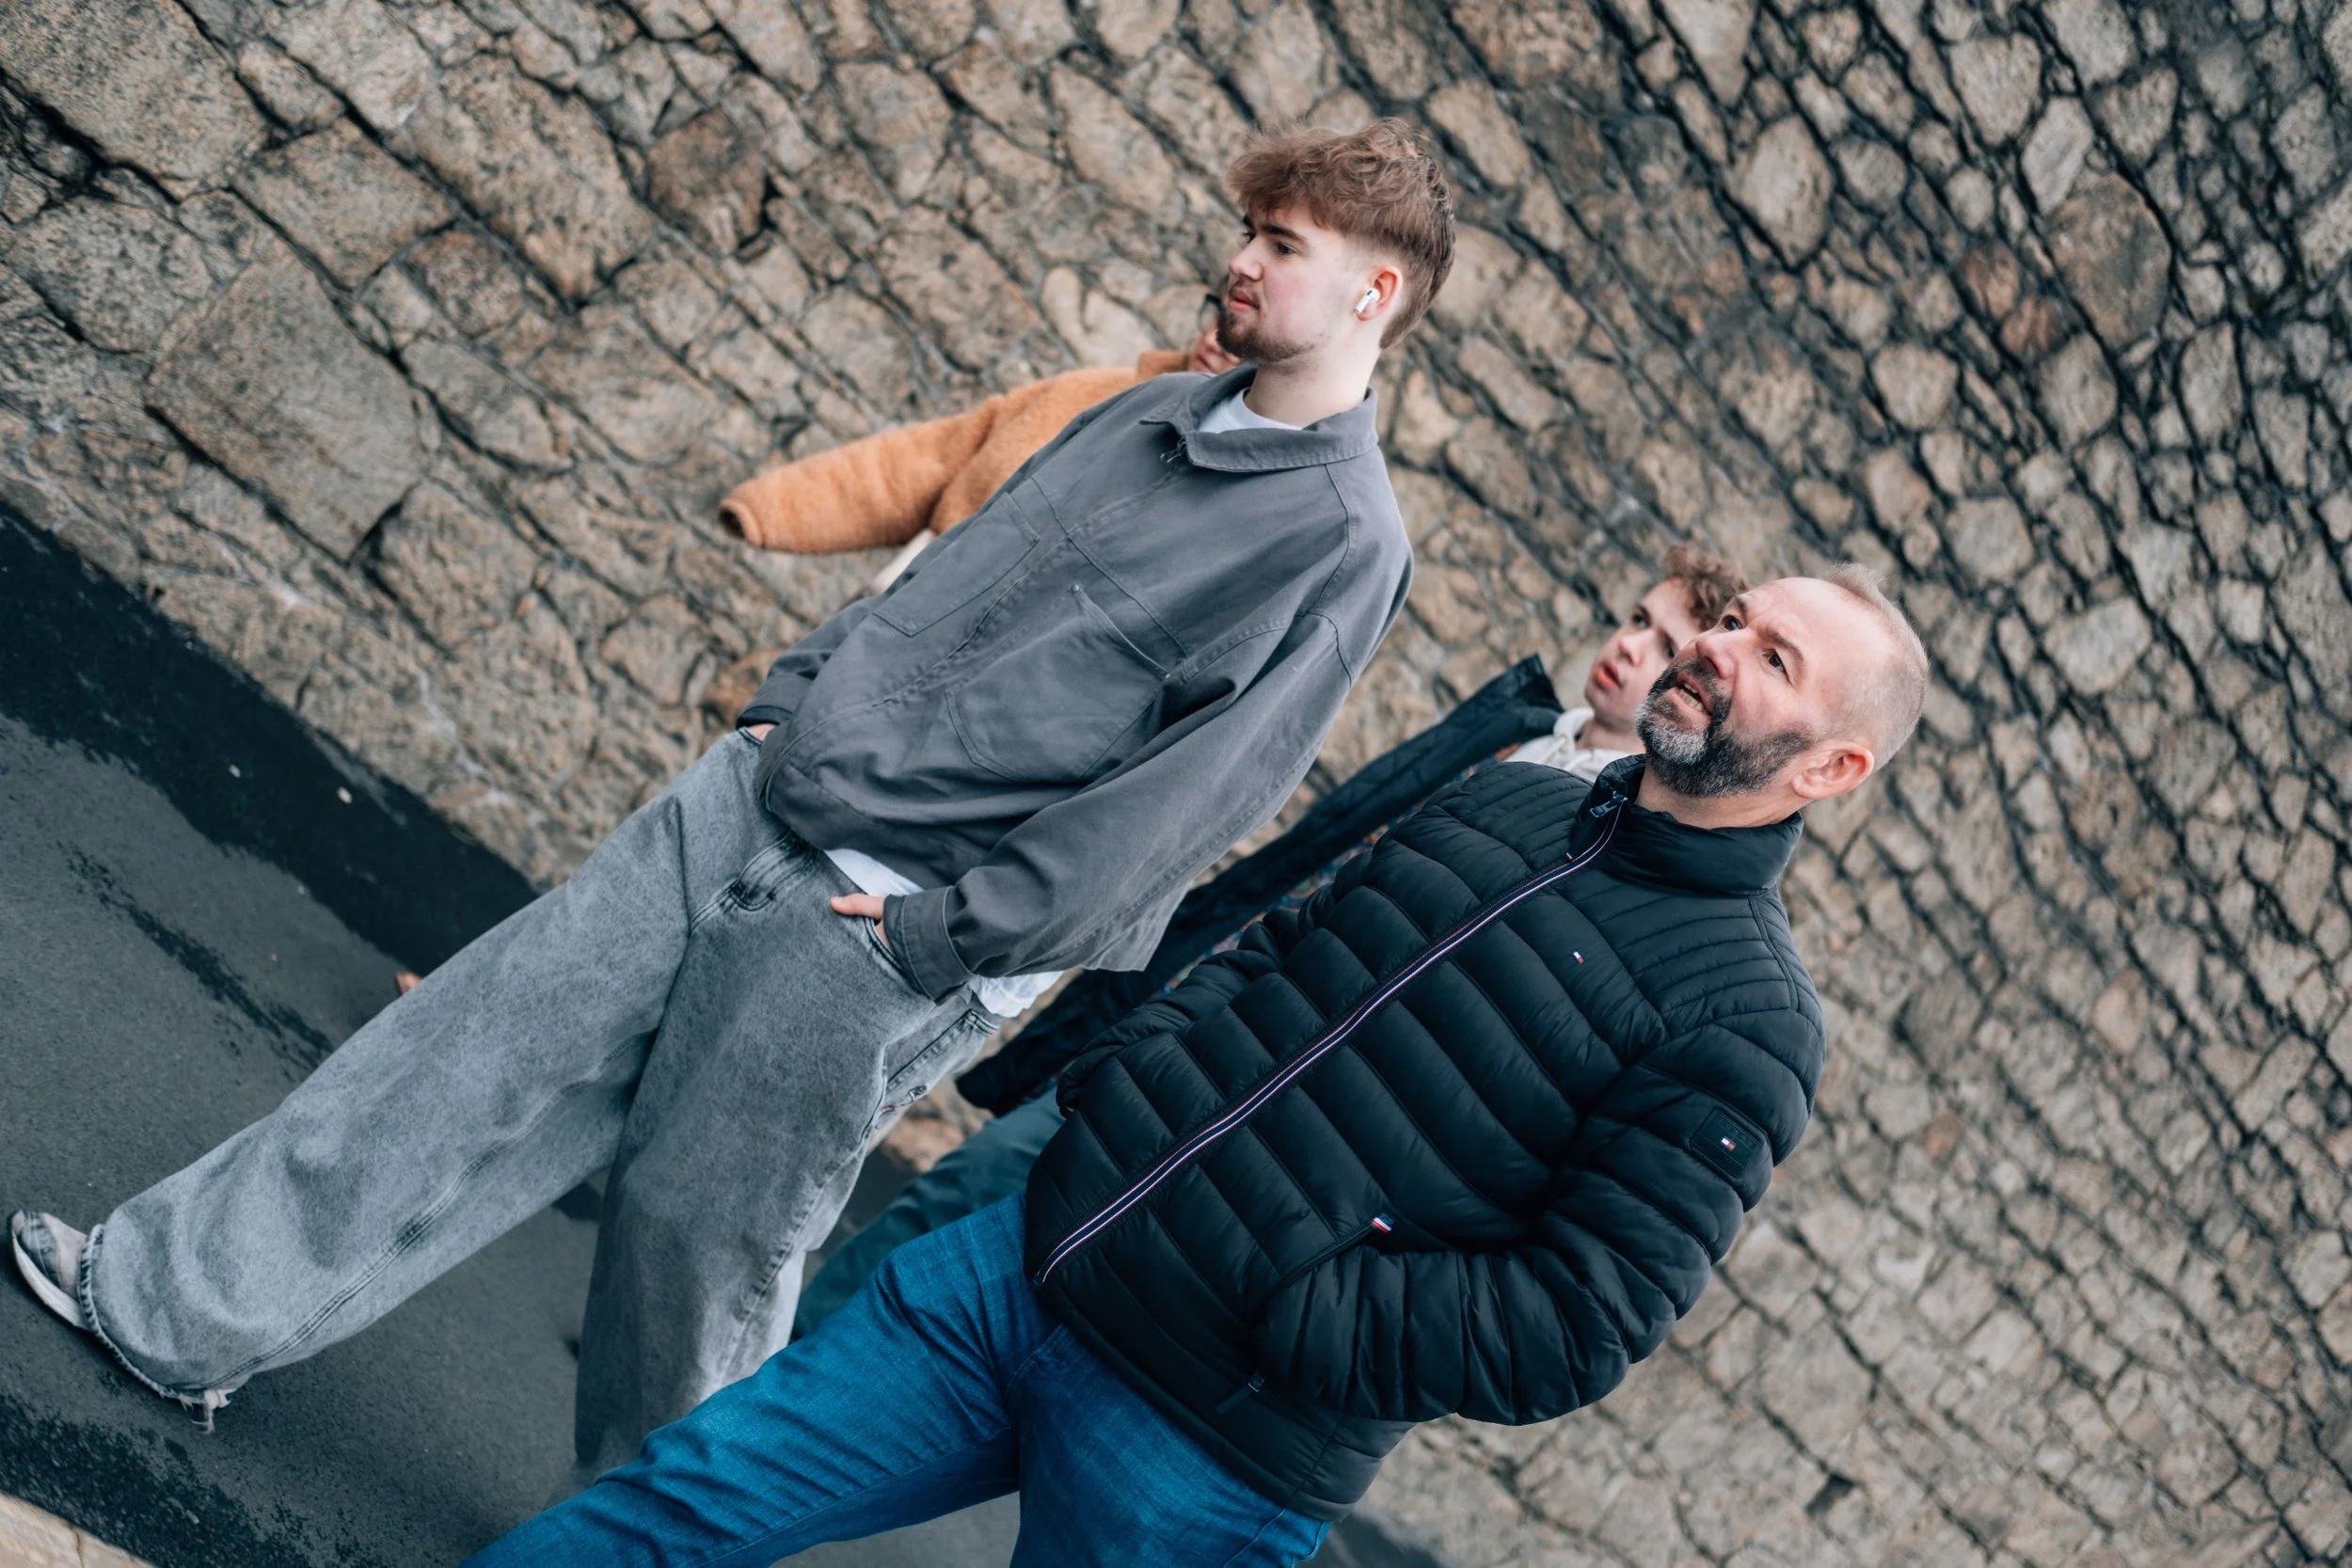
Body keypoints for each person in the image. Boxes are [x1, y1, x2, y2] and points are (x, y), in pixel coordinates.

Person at [8, 119, 1454, 1485]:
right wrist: (782, 702)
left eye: (1283, 241)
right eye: (1249, 229)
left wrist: (943, 937)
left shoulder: (1341, 541)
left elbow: (1188, 802)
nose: (1243, 260)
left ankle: (648, 1537)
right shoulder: (1146, 409)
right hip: (754, 797)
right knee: (461, 1046)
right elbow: (952, 574)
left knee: (697, 1263)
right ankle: (170, 1309)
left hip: (879, 928)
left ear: (1375, 289)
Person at [458, 568, 1930, 1566]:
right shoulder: (1513, 802)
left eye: (1771, 656)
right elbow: (1274, 950)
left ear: (1833, 767)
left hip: (1213, 1444)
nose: (1714, 647)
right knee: (677, 1501)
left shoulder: (1747, 1020)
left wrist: (1296, 1309)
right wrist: (1117, 1106)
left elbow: (1576, 1319)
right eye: (1732, 619)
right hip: (1027, 1272)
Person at [795, 545, 1748, 1336]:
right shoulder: (1515, 727)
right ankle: (772, 1397)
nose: (1632, 647)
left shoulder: (1599, 830)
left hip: (1277, 1097)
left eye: (1665, 642)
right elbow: (1312, 864)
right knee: (952, 1208)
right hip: (1198, 1002)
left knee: (1017, 1274)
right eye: (1636, 617)